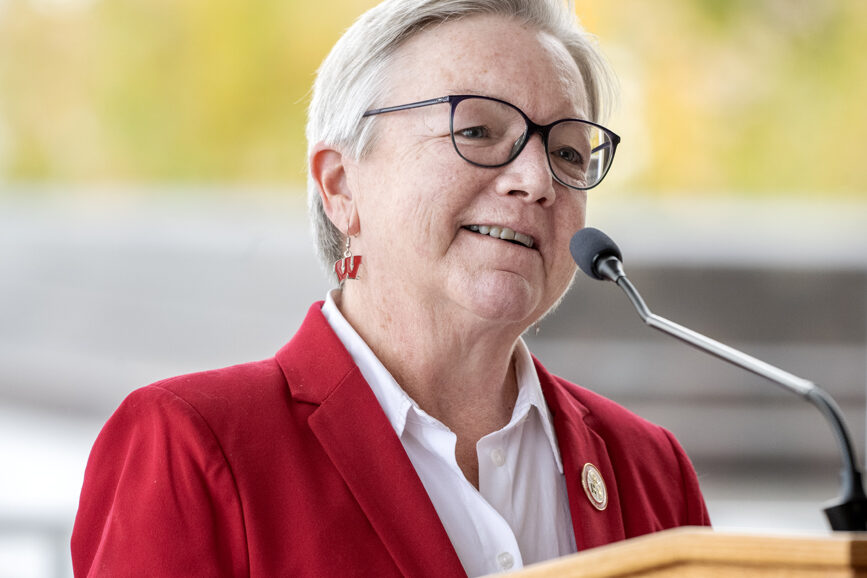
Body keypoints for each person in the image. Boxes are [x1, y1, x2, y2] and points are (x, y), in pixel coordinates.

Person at [71, 0, 710, 576]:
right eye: (478, 131)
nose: (536, 180)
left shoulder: (651, 469)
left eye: (568, 153)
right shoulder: (191, 445)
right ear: (342, 186)